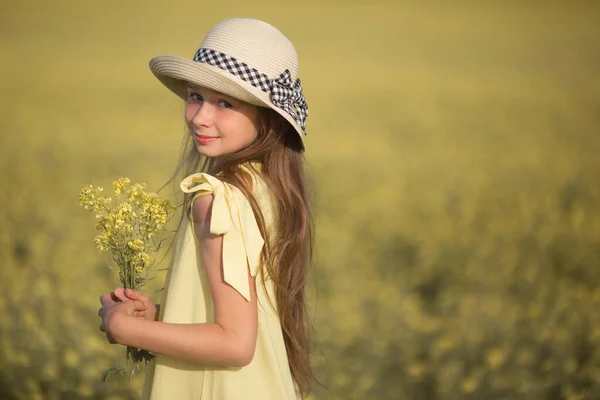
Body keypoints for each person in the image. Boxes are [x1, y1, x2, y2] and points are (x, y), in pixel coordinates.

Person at [96, 18, 314, 399]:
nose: (199, 117)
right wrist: (162, 318)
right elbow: (248, 318)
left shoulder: (216, 198)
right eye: (195, 96)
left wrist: (126, 330)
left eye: (224, 103)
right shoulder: (268, 185)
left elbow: (234, 343)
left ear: (266, 118)